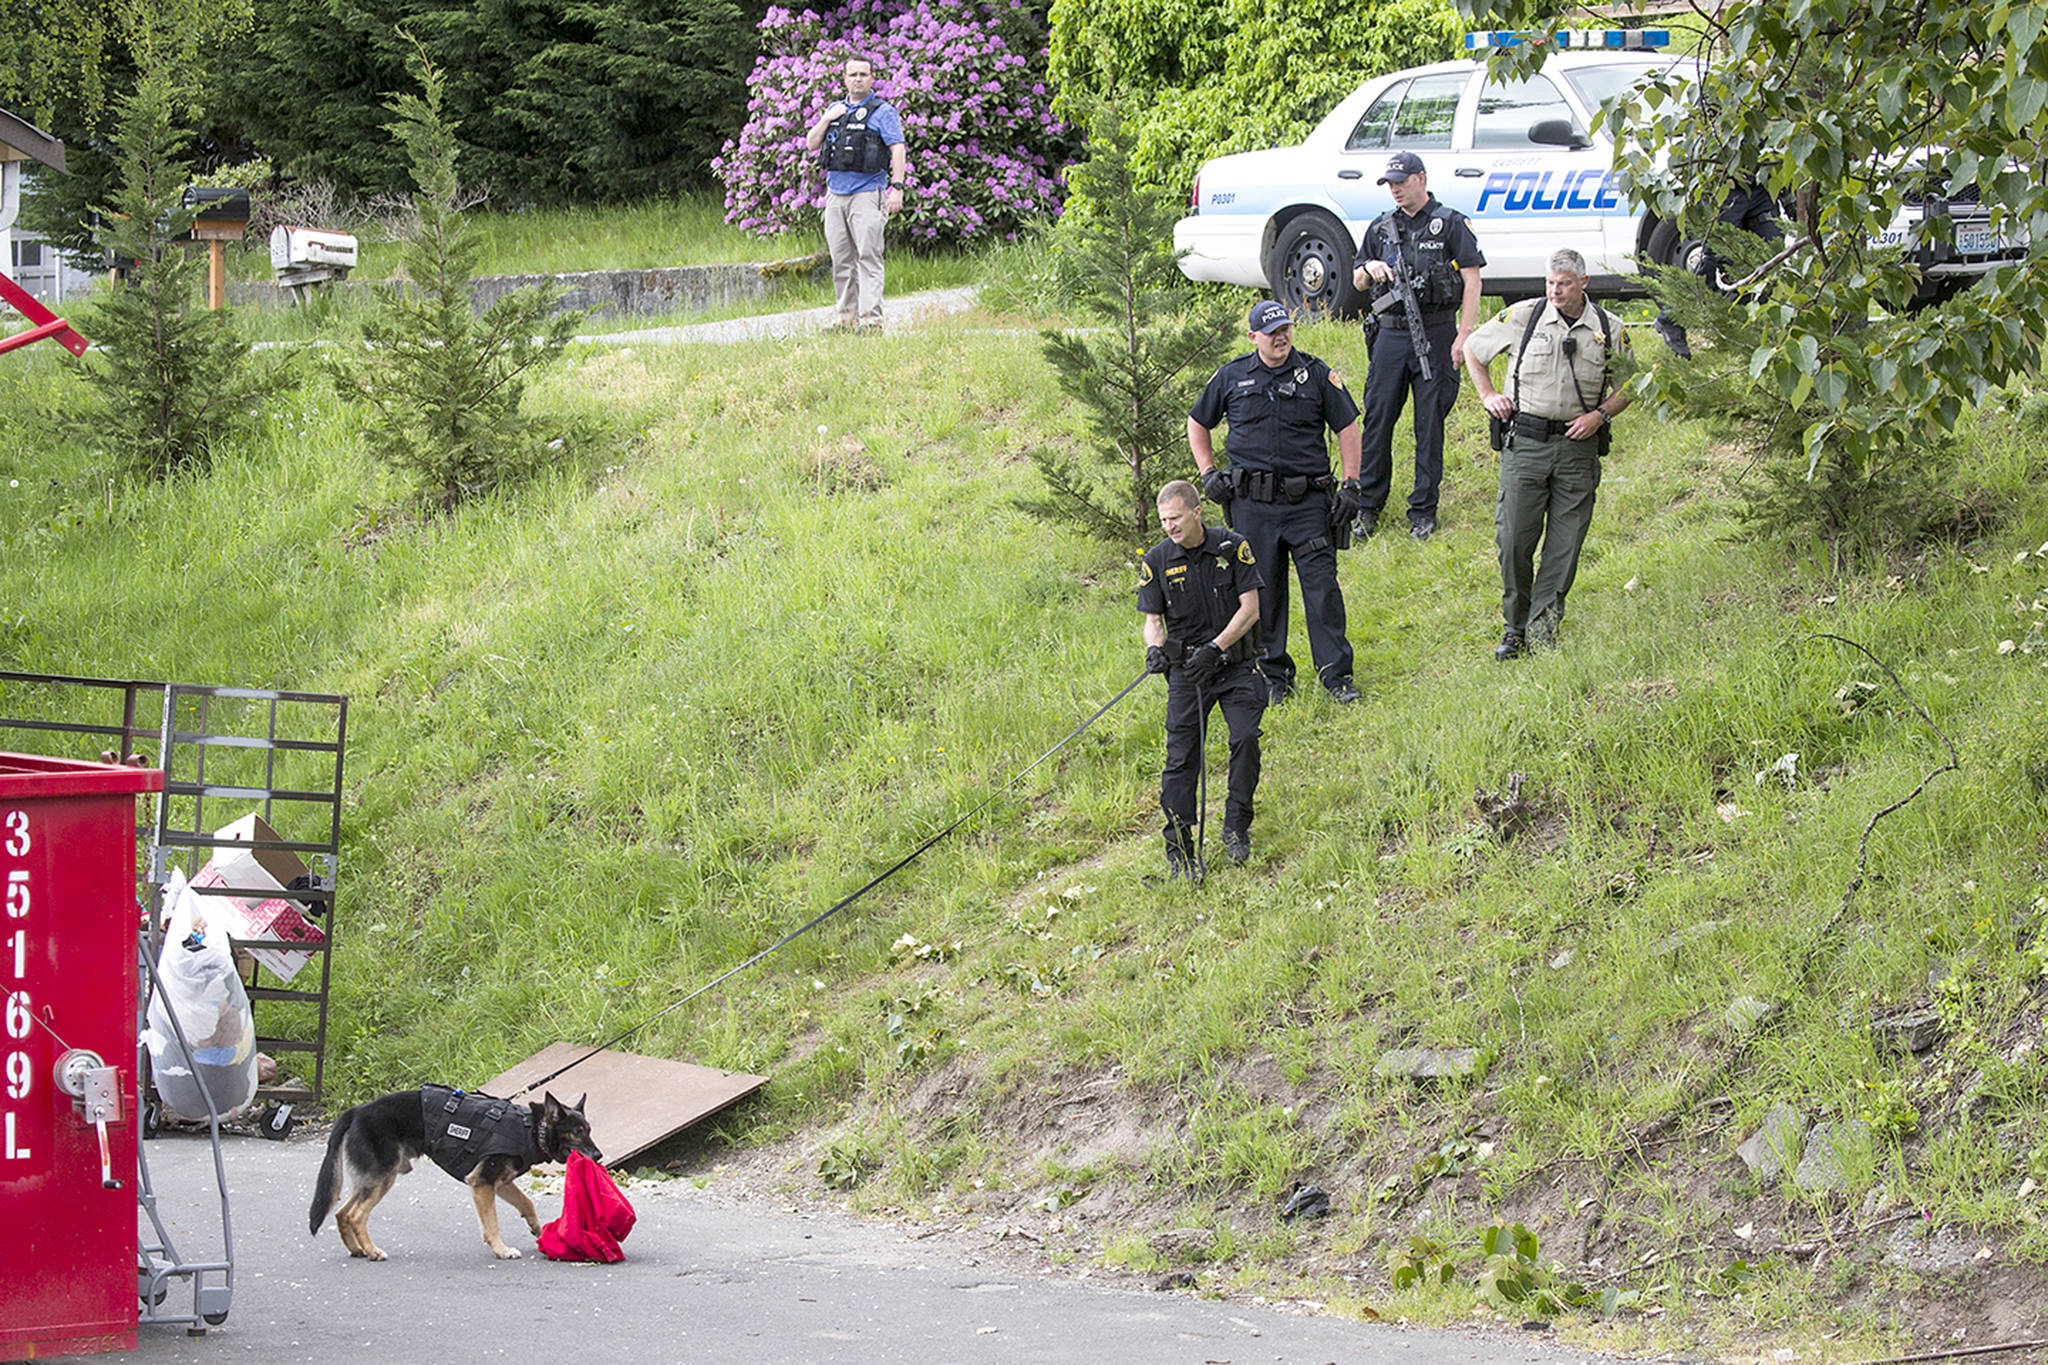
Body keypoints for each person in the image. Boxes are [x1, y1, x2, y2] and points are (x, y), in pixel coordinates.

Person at [1188, 300, 1364, 706]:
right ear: (1254, 337)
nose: (1281, 337)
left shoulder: (1317, 375)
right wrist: (1208, 472)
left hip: (1309, 504)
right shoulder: (1232, 376)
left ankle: (1336, 676)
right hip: (1253, 506)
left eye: (1285, 328)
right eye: (1271, 332)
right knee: (1263, 593)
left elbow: (1348, 427)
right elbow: (1198, 422)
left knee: (1322, 590)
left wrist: (1352, 485)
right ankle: (1273, 677)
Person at [1465, 248, 1636, 661]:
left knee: (1564, 545)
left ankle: (1542, 630)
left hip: (1578, 449)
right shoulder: (1524, 316)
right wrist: (1489, 395)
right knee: (1513, 540)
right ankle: (1514, 627)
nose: (1555, 291)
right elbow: (1473, 348)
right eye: (1550, 283)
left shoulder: (1609, 329)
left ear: (1583, 284)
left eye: (1564, 284)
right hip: (1525, 444)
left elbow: (1631, 385)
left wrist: (1599, 416)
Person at [1349, 151, 1485, 542]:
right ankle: (1368, 507)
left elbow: (1473, 281)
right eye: (1389, 183)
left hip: (1436, 331)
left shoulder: (1450, 224)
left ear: (1420, 179)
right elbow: (1358, 280)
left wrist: (1465, 334)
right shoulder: (1380, 228)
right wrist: (1369, 270)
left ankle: (1423, 511)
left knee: (1429, 427)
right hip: (1390, 334)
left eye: (1401, 181)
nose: (1395, 189)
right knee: (1377, 422)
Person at [1137, 480, 1266, 878]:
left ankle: (1236, 826)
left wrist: (1218, 646)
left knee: (1244, 738)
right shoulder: (1157, 560)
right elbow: (1153, 621)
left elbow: (1251, 608)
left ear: (1196, 512)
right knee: (1180, 761)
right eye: (1163, 520)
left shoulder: (1232, 546)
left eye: (1174, 518)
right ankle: (1180, 854)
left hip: (1234, 666)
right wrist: (1155, 649)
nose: (1168, 526)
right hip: (1188, 673)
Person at [803, 54, 907, 332]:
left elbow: (898, 149)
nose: (858, 79)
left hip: (867, 192)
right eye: (853, 74)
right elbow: (812, 144)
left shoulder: (883, 112)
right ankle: (845, 319)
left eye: (863, 74)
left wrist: (896, 188)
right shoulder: (835, 110)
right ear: (845, 79)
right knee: (841, 260)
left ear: (872, 78)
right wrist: (826, 118)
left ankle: (871, 321)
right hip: (836, 195)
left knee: (868, 256)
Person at [1653, 179, 1784, 359]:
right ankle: (1670, 317)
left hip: (1760, 184)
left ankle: (1739, 329)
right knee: (1720, 257)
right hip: (1725, 183)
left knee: (1771, 257)